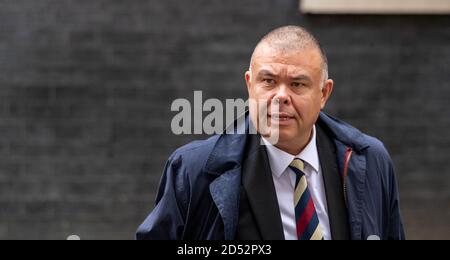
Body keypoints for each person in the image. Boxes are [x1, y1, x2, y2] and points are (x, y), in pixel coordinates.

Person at [136, 25, 405, 240]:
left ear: (324, 93)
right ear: (250, 85)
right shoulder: (194, 170)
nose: (281, 96)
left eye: (298, 84)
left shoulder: (369, 160)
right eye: (268, 81)